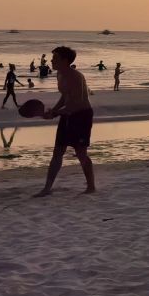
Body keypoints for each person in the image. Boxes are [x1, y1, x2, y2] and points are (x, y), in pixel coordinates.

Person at [34, 45, 96, 197]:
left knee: (81, 153)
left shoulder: (76, 77)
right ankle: (47, 188)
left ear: (65, 60)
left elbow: (76, 103)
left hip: (81, 115)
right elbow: (65, 97)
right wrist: (54, 110)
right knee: (58, 152)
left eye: (55, 58)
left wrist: (55, 113)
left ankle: (91, 186)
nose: (51, 60)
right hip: (68, 114)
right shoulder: (59, 74)